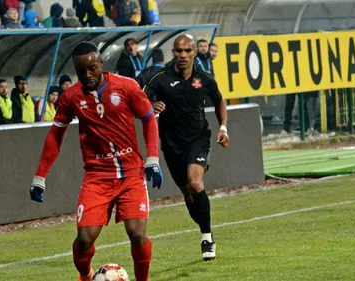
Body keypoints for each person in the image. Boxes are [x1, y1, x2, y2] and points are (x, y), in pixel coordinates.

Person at [29, 41, 162, 281]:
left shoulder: (126, 87)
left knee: (137, 233)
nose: (87, 75)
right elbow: (55, 134)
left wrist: (152, 157)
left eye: (92, 68)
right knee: (84, 239)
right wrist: (40, 176)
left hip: (130, 173)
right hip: (97, 176)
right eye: (81, 71)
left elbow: (149, 118)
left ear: (100, 63)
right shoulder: (71, 97)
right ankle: (86, 275)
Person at [144, 34, 229, 261]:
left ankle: (207, 237)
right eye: (178, 51)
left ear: (194, 52)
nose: (182, 55)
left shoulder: (205, 78)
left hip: (198, 139)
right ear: (173, 53)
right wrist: (151, 106)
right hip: (171, 144)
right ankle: (204, 227)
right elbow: (141, 100)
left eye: (187, 51)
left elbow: (219, 99)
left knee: (195, 182)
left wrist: (223, 127)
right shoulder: (160, 78)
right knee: (188, 193)